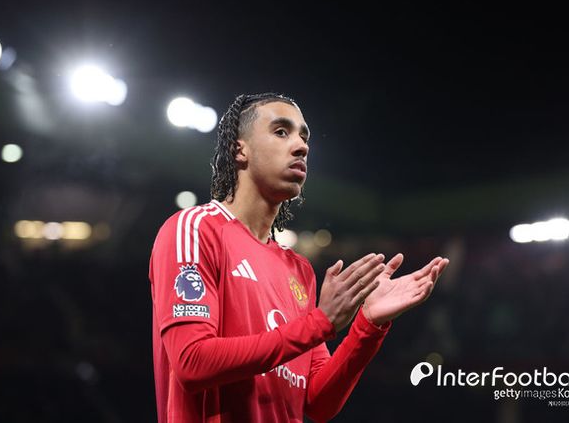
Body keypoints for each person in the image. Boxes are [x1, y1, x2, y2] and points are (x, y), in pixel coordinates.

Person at [149, 93, 449, 423]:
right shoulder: (196, 229)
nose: (301, 147)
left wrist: (368, 325)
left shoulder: (298, 269)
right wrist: (320, 323)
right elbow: (192, 362)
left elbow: (318, 402)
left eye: (304, 137)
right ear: (239, 150)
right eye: (281, 132)